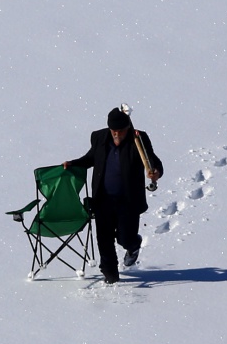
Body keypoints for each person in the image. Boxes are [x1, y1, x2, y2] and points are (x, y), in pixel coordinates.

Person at [64, 108, 163, 284]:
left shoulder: (138, 139)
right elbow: (90, 159)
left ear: (127, 129)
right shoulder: (99, 138)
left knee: (125, 237)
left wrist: (155, 172)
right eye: (114, 131)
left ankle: (133, 245)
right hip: (103, 199)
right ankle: (110, 273)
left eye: (120, 131)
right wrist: (73, 164)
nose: (117, 134)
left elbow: (153, 161)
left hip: (128, 200)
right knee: (104, 237)